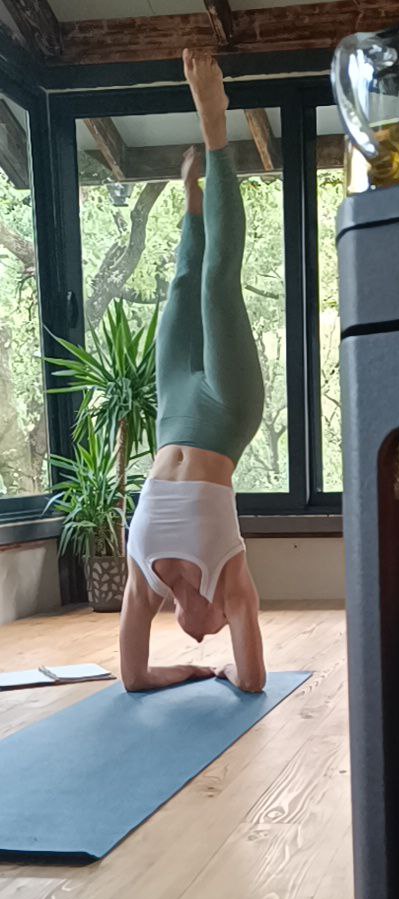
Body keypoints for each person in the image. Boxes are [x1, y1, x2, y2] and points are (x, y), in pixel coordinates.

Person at [120, 50, 266, 694]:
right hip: (228, 415)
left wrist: (180, 672)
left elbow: (132, 679)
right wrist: (224, 670)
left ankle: (193, 204)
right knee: (216, 285)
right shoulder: (231, 578)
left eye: (199, 639)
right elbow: (253, 680)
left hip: (174, 413)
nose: (203, 635)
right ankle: (216, 128)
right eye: (215, 633)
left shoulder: (143, 577)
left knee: (181, 289)